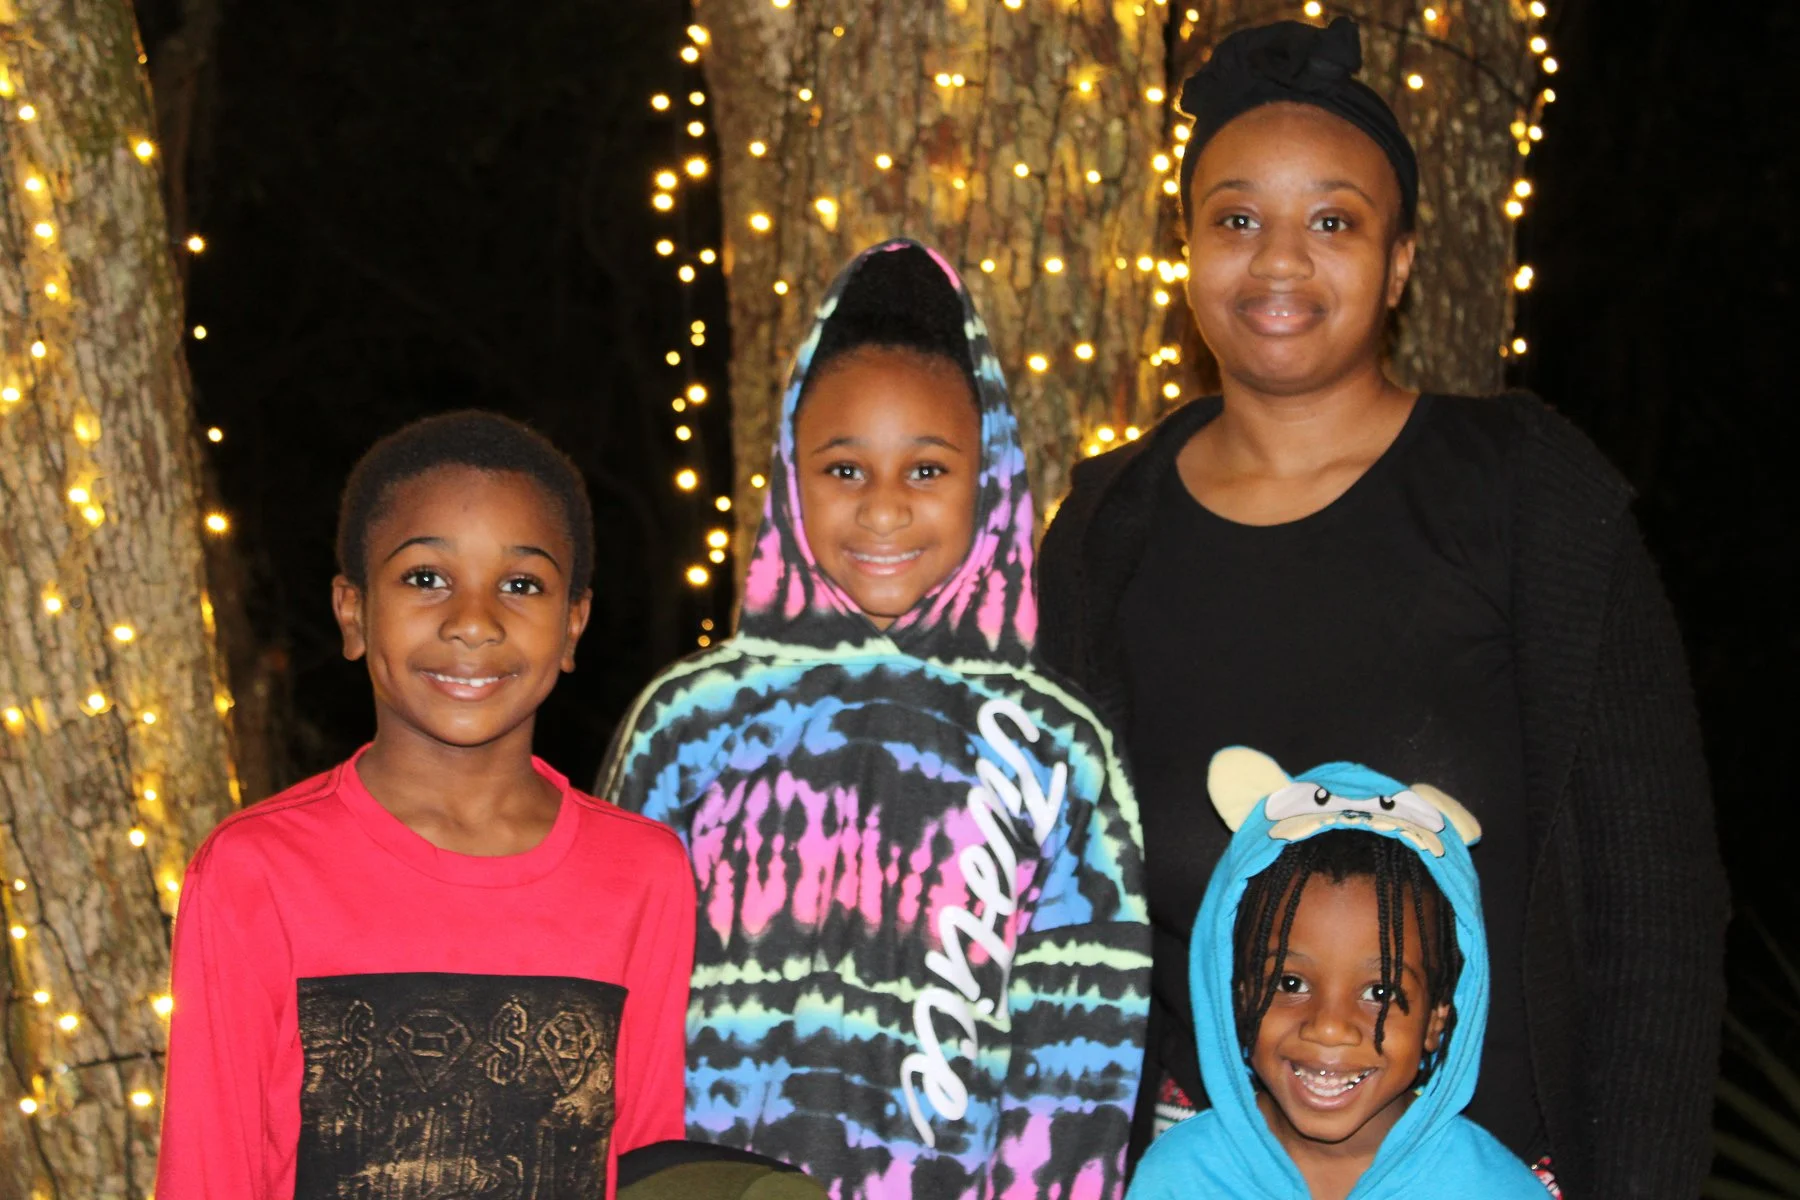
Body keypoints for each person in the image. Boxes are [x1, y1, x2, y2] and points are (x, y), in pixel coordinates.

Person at [1035, 16, 1727, 1198]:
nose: (1279, 262)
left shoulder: (1527, 497)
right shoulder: (1107, 530)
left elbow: (1655, 910)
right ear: (1186, 247)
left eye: (1333, 222)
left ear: (1401, 262)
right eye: (1236, 220)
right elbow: (1058, 919)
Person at [599, 239, 1151, 1199]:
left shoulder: (1053, 745)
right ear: (789, 475)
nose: (884, 510)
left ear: (990, 478)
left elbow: (1082, 1051)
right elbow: (608, 1005)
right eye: (844, 469)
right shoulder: (690, 722)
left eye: (927, 470)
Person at [155, 411, 696, 1199]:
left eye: (521, 584)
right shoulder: (256, 870)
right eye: (425, 578)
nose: (472, 622)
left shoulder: (643, 873)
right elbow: (207, 1176)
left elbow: (651, 1168)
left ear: (572, 625)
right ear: (353, 611)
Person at [1127, 748, 1550, 1200]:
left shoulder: (1496, 1190)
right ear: (1241, 997)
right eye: (1290, 983)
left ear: (1436, 1020)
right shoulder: (1180, 1178)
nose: (1329, 1027)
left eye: (1379, 992)